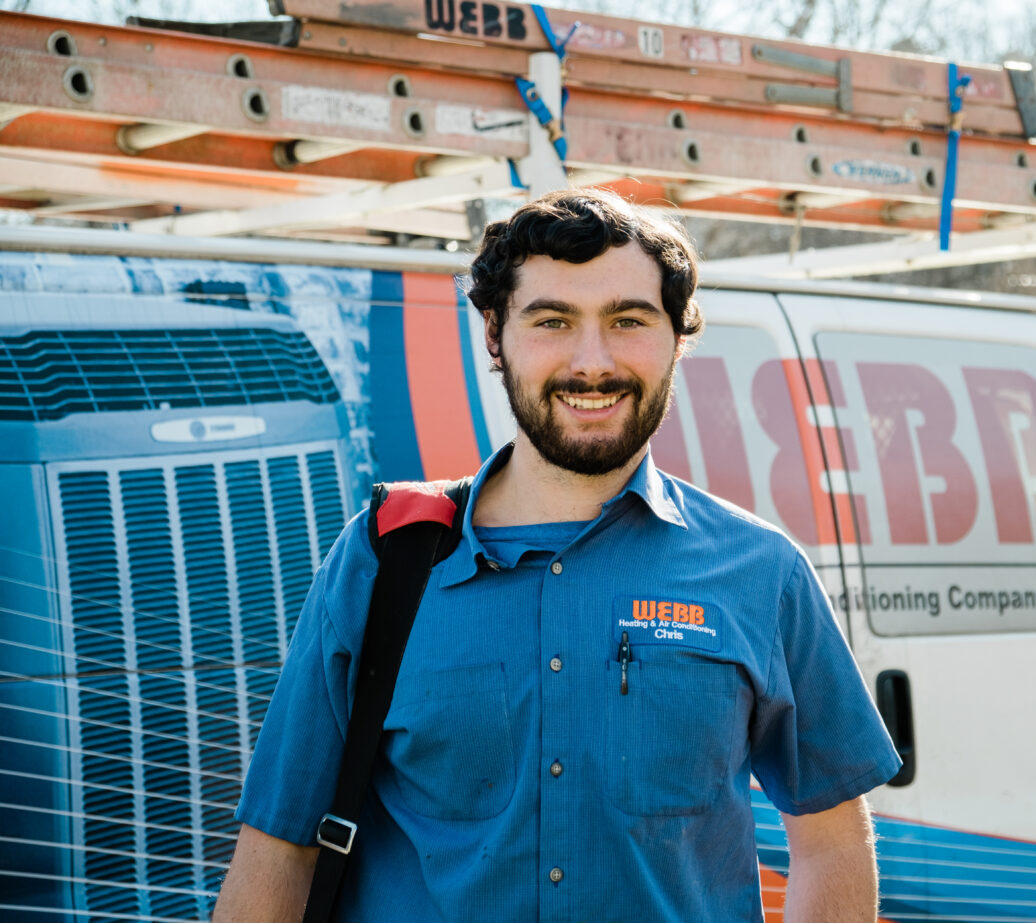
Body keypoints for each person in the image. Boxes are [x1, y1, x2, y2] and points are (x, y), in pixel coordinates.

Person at [214, 189, 902, 922]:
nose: (592, 362)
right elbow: (279, 848)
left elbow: (830, 838)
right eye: (552, 321)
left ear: (678, 336)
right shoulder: (383, 560)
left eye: (628, 320)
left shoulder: (762, 575)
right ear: (494, 334)